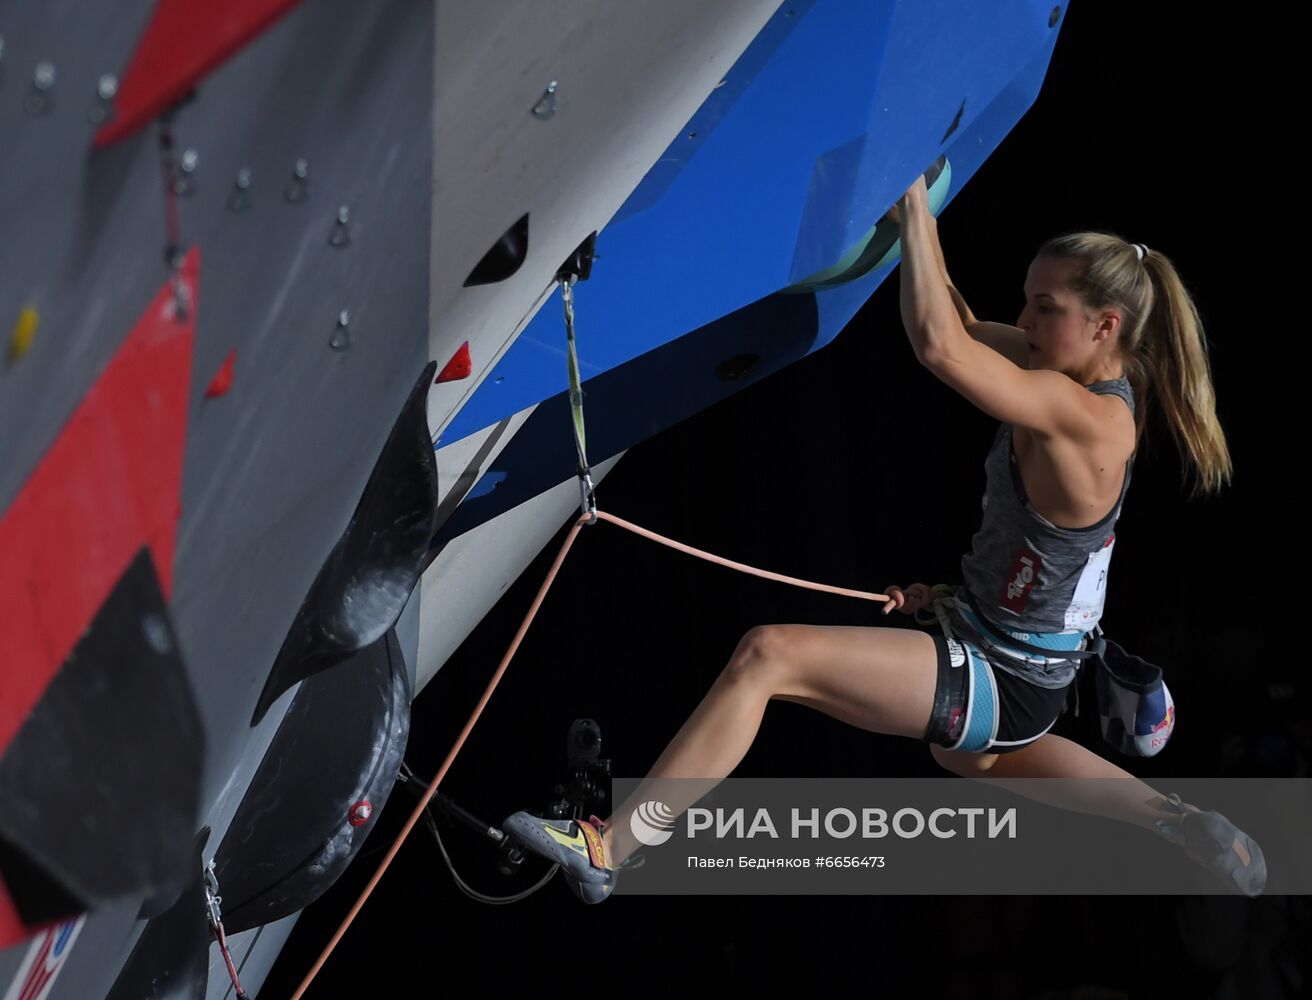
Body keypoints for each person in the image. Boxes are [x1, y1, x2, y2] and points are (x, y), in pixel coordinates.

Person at [502, 173, 1265, 901]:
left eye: (1043, 308)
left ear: (1106, 326)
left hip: (1010, 675)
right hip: (1014, 655)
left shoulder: (1093, 418)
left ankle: (616, 848)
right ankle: (1175, 817)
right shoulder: (1061, 379)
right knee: (981, 757)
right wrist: (910, 225)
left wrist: (912, 200)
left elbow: (940, 347)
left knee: (770, 657)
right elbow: (963, 326)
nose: (1025, 323)